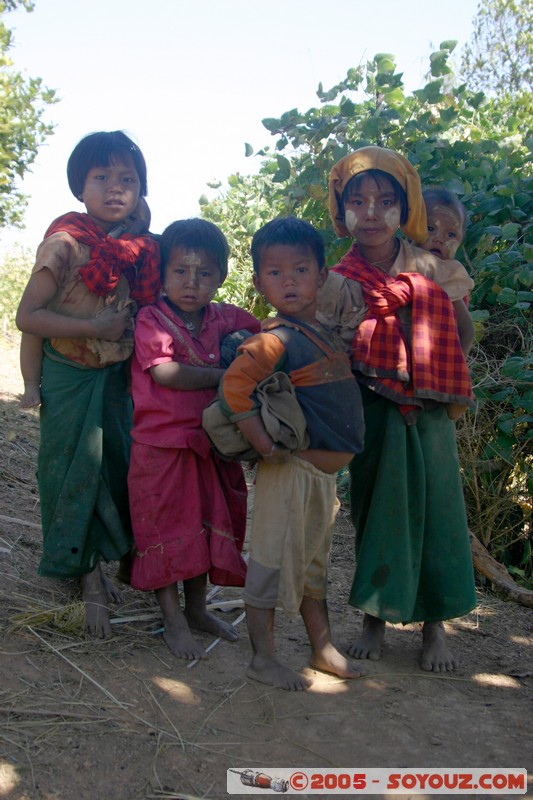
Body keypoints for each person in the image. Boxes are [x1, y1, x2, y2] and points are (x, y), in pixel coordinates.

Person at [317, 145, 477, 673]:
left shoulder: (432, 265)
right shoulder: (337, 279)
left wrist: (434, 306)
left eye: (386, 201)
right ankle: (374, 619)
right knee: (376, 511)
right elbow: (330, 349)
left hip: (430, 410)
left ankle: (436, 629)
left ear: (404, 208)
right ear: (340, 211)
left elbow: (464, 336)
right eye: (356, 201)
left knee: (438, 515)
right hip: (372, 408)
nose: (370, 213)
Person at [15, 130, 161, 638]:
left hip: (117, 379)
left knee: (116, 469)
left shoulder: (140, 250)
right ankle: (86, 575)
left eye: (129, 179)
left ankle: (112, 558)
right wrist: (91, 329)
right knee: (71, 472)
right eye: (102, 177)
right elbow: (28, 316)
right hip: (69, 375)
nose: (116, 187)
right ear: (80, 186)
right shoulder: (65, 242)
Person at [219, 216, 365, 691]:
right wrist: (263, 444)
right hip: (291, 472)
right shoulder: (274, 338)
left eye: (300, 270)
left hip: (321, 482)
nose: (289, 281)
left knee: (312, 566)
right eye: (275, 273)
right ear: (259, 282)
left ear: (321, 276)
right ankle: (263, 657)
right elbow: (234, 387)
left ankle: (322, 649)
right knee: (269, 563)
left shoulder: (320, 334)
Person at [128, 218, 261, 661]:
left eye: (204, 273)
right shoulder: (151, 318)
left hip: (211, 446)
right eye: (181, 271)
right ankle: (173, 619)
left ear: (221, 277)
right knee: (166, 532)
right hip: (161, 448)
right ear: (162, 274)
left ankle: (199, 610)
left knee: (201, 531)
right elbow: (167, 373)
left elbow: (265, 331)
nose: (192, 283)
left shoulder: (226, 318)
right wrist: (229, 376)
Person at [19, 196, 153, 409]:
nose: (132, 223)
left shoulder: (138, 254)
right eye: (131, 218)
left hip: (111, 367)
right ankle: (31, 384)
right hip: (61, 351)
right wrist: (94, 328)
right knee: (34, 329)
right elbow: (27, 317)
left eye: (139, 221)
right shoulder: (70, 238)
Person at [420, 187, 467, 262]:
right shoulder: (399, 262)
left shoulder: (455, 272)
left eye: (451, 235)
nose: (439, 239)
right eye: (430, 229)